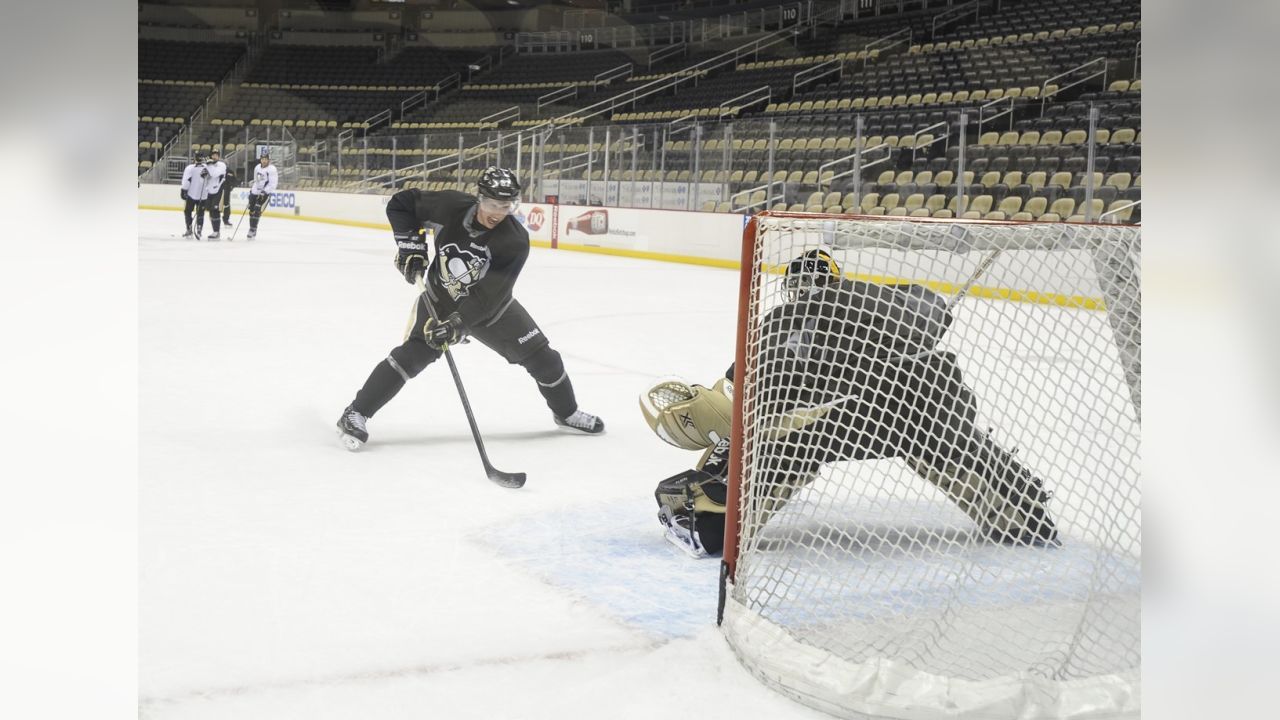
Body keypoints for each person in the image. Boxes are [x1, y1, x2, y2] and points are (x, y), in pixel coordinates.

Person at [641, 248, 1060, 558]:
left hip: (845, 421)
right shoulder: (875, 299)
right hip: (910, 412)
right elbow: (928, 310)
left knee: (781, 442)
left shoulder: (779, 322)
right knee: (943, 439)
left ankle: (715, 517)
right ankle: (1018, 503)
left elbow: (738, 400)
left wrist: (719, 440)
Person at [336, 166, 605, 451]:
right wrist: (411, 248)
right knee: (413, 355)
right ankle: (356, 413)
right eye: (491, 204)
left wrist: (457, 325)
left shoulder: (514, 241)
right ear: (479, 198)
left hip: (493, 310)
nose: (497, 212)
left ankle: (567, 413)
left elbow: (486, 297)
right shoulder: (449, 206)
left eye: (505, 205)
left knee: (546, 361)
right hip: (440, 299)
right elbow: (401, 205)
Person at [179, 152, 218, 239]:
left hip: (191, 195)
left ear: (195, 158)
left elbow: (186, 181)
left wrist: (183, 190)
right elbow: (212, 179)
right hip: (203, 195)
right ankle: (199, 230)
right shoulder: (208, 167)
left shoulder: (190, 168)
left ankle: (189, 230)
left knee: (187, 211)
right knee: (200, 213)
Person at [245, 153, 278, 240]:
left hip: (265, 193)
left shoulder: (272, 169)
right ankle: (252, 228)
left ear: (268, 160)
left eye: (265, 159)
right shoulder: (257, 167)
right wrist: (253, 191)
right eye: (262, 159)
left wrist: (264, 192)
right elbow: (256, 181)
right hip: (256, 191)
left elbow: (273, 184)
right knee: (251, 210)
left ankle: (252, 229)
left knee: (257, 209)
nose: (264, 160)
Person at [201, 149, 228, 240]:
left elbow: (214, 174)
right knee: (211, 212)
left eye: (216, 155)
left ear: (219, 156)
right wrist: (203, 175)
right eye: (213, 155)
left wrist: (209, 165)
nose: (214, 156)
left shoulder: (222, 165)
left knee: (215, 211)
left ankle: (217, 232)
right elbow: (206, 177)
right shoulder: (209, 165)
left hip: (218, 191)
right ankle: (215, 231)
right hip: (209, 191)